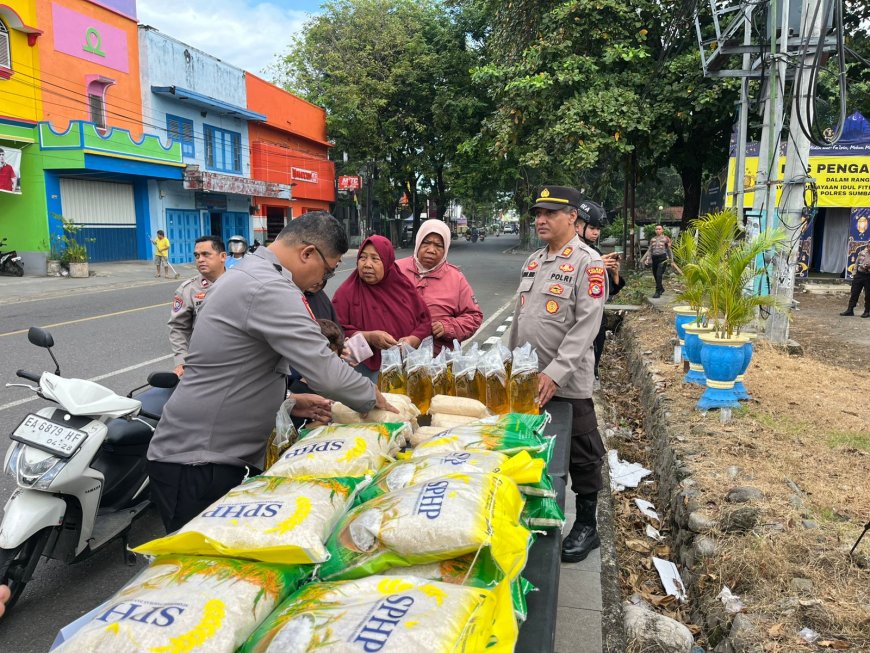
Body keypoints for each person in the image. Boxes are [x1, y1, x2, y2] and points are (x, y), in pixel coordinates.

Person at [147, 212, 396, 532]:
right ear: (308, 253)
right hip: (197, 461)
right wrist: (375, 399)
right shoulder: (269, 286)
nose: (323, 282)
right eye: (329, 270)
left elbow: (241, 367)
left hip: (207, 455)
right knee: (205, 568)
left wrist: (289, 399)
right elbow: (324, 369)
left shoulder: (252, 273)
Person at [508, 185, 606, 564]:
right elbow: (520, 320)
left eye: (550, 213)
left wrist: (556, 372)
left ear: (572, 218)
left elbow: (587, 325)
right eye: (538, 213)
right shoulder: (533, 260)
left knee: (583, 453)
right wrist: (509, 366)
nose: (541, 220)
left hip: (567, 381)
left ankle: (586, 526)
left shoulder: (588, 262)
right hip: (528, 377)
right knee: (530, 448)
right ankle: (535, 514)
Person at [332, 235, 432, 380]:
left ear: (387, 262)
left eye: (375, 259)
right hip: (361, 371)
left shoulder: (403, 288)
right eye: (363, 258)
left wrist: (412, 340)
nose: (367, 264)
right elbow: (335, 331)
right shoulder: (346, 292)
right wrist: (369, 337)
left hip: (404, 366)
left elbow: (424, 320)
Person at [396, 219, 483, 353]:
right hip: (395, 359)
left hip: (438, 363)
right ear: (418, 242)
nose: (431, 250)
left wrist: (448, 327)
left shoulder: (456, 278)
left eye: (438, 245)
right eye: (426, 243)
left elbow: (474, 316)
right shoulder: (396, 270)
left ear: (446, 249)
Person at [575, 200, 624, 389]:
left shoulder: (595, 251)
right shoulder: (570, 252)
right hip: (577, 317)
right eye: (592, 228)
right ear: (577, 226)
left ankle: (593, 375)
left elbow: (608, 291)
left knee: (596, 352)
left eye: (598, 229)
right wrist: (593, 266)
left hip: (596, 317)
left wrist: (614, 273)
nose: (596, 232)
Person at [168, 235, 227, 377]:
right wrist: (181, 361)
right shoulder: (188, 289)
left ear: (223, 256)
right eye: (197, 255)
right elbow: (178, 327)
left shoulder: (241, 283)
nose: (200, 259)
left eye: (206, 254)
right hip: (202, 363)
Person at [641, 224, 672, 298]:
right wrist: (647, 259)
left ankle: (657, 291)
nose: (658, 230)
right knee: (655, 275)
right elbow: (650, 250)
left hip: (662, 258)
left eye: (659, 229)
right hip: (654, 259)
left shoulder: (666, 238)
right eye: (656, 229)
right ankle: (661, 288)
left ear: (662, 230)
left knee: (659, 275)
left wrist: (671, 260)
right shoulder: (652, 239)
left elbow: (669, 249)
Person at [840, 245, 870, 317]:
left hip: (869, 276)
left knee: (868, 294)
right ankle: (850, 310)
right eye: (869, 246)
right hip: (859, 275)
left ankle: (867, 311)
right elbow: (856, 263)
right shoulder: (862, 253)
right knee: (854, 292)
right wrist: (854, 273)